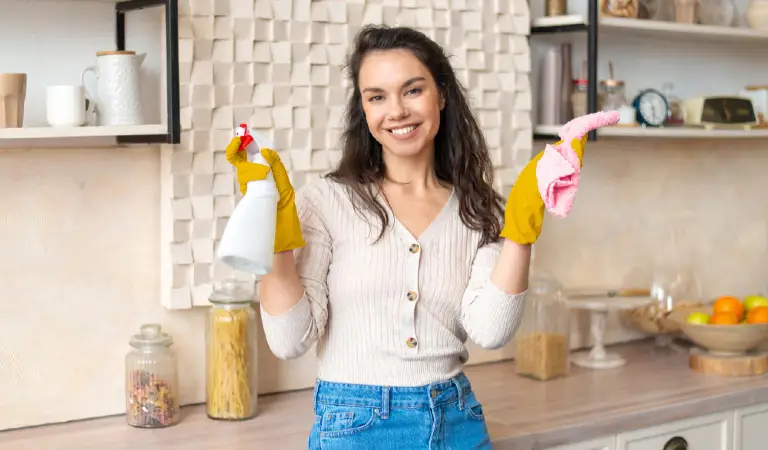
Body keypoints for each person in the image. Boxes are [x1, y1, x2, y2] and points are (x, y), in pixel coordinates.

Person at [224, 25, 597, 450]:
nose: (396, 110)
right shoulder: (326, 202)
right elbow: (290, 340)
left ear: (441, 95)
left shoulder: (479, 209)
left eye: (412, 90)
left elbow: (491, 331)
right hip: (354, 425)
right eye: (377, 96)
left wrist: (522, 227)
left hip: (457, 419)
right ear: (363, 109)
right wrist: (274, 226)